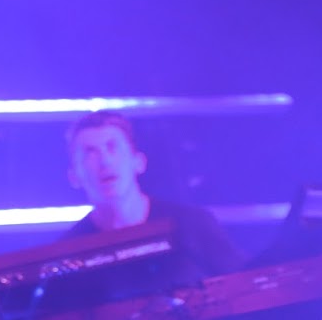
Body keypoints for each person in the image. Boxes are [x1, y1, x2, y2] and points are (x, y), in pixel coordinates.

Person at [50, 110, 245, 305]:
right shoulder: (68, 255)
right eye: (90, 153)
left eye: (112, 147)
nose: (105, 161)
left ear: (139, 162)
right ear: (74, 177)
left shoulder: (192, 224)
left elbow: (244, 292)